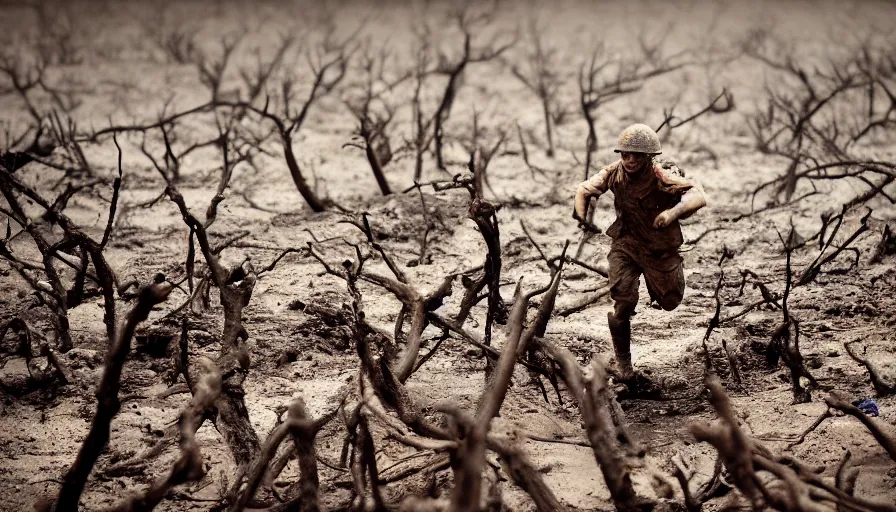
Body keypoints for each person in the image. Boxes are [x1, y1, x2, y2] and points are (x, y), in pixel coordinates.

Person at [573, 123, 707, 380]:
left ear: (649, 157)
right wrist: (582, 217)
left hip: (659, 249)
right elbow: (584, 189)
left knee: (670, 301)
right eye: (625, 155)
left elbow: (697, 195)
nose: (630, 160)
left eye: (637, 156)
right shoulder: (613, 173)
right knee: (622, 301)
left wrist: (672, 213)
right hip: (626, 244)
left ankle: (669, 275)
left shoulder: (660, 176)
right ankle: (624, 366)